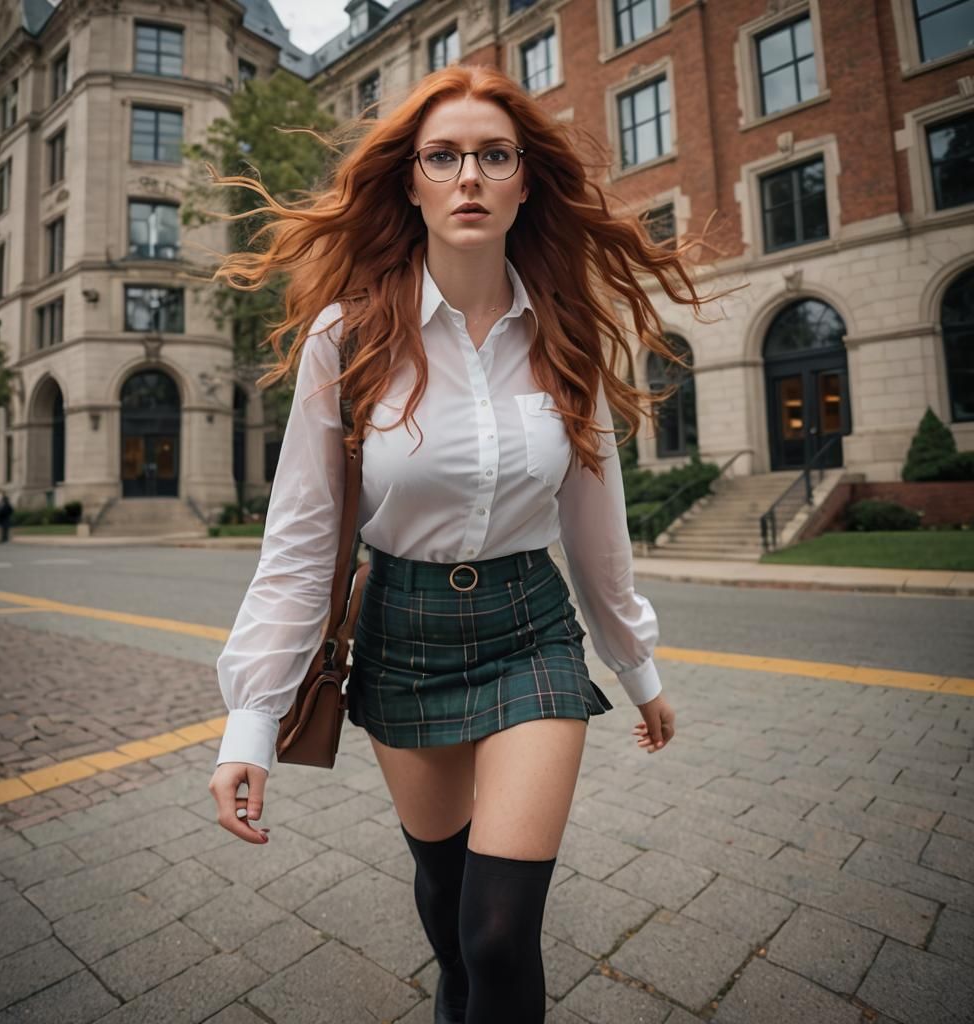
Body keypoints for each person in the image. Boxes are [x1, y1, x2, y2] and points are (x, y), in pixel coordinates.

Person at [207, 65, 730, 1024]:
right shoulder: (347, 338)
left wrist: (638, 665)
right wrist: (252, 723)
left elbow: (594, 527)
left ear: (526, 180)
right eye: (442, 157)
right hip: (403, 635)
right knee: (450, 917)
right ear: (409, 181)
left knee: (499, 933)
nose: (469, 176)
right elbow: (300, 539)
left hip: (530, 627)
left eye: (494, 155)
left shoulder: (568, 333)